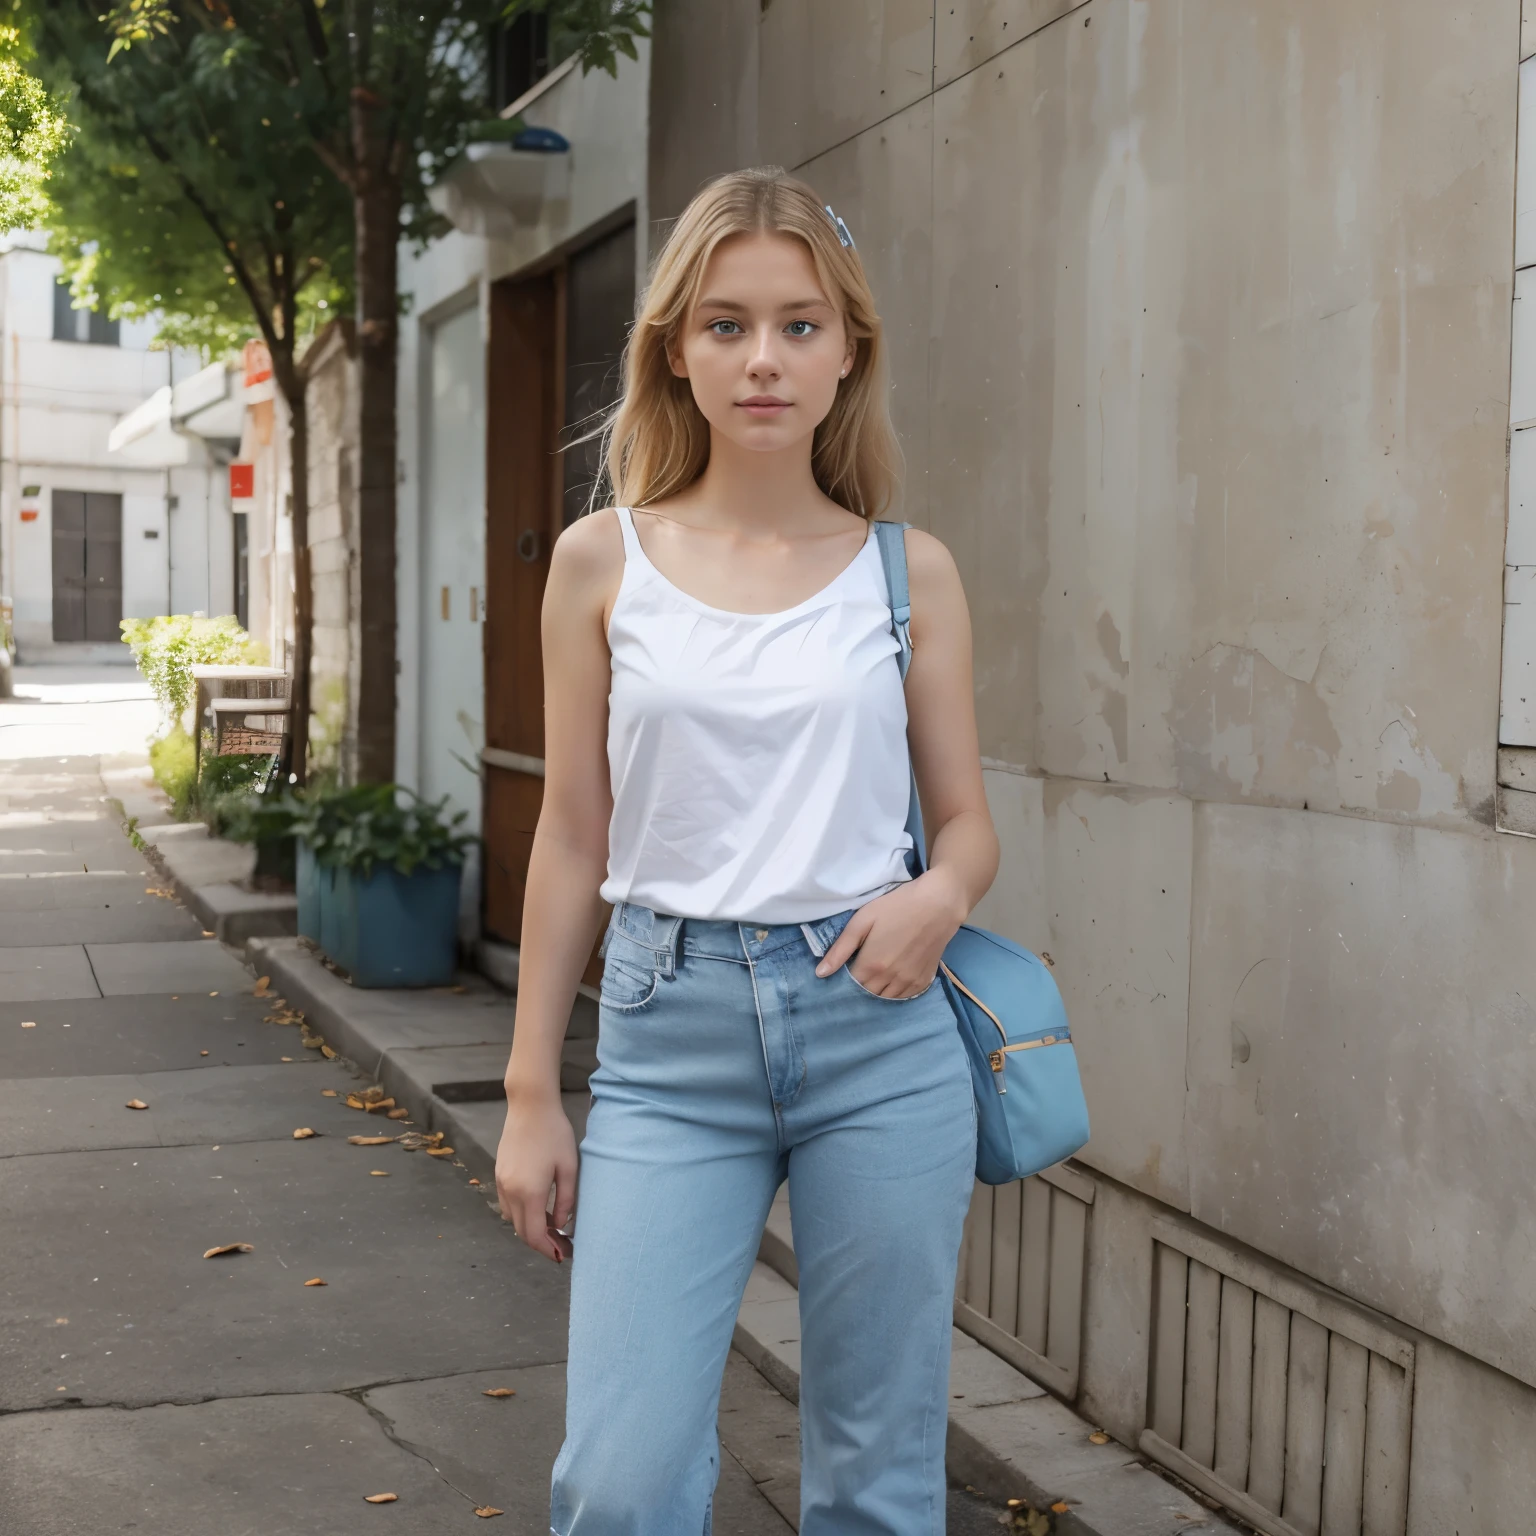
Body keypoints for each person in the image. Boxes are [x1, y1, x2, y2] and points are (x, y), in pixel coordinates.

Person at [495, 165, 1000, 1536]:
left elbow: (965, 822)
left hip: (880, 1032)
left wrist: (940, 897)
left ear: (848, 353)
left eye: (798, 325)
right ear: (675, 350)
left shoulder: (914, 572)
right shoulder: (603, 561)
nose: (763, 358)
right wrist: (533, 1089)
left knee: (879, 1482)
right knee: (620, 1483)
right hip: (671, 1040)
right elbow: (572, 834)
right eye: (725, 325)